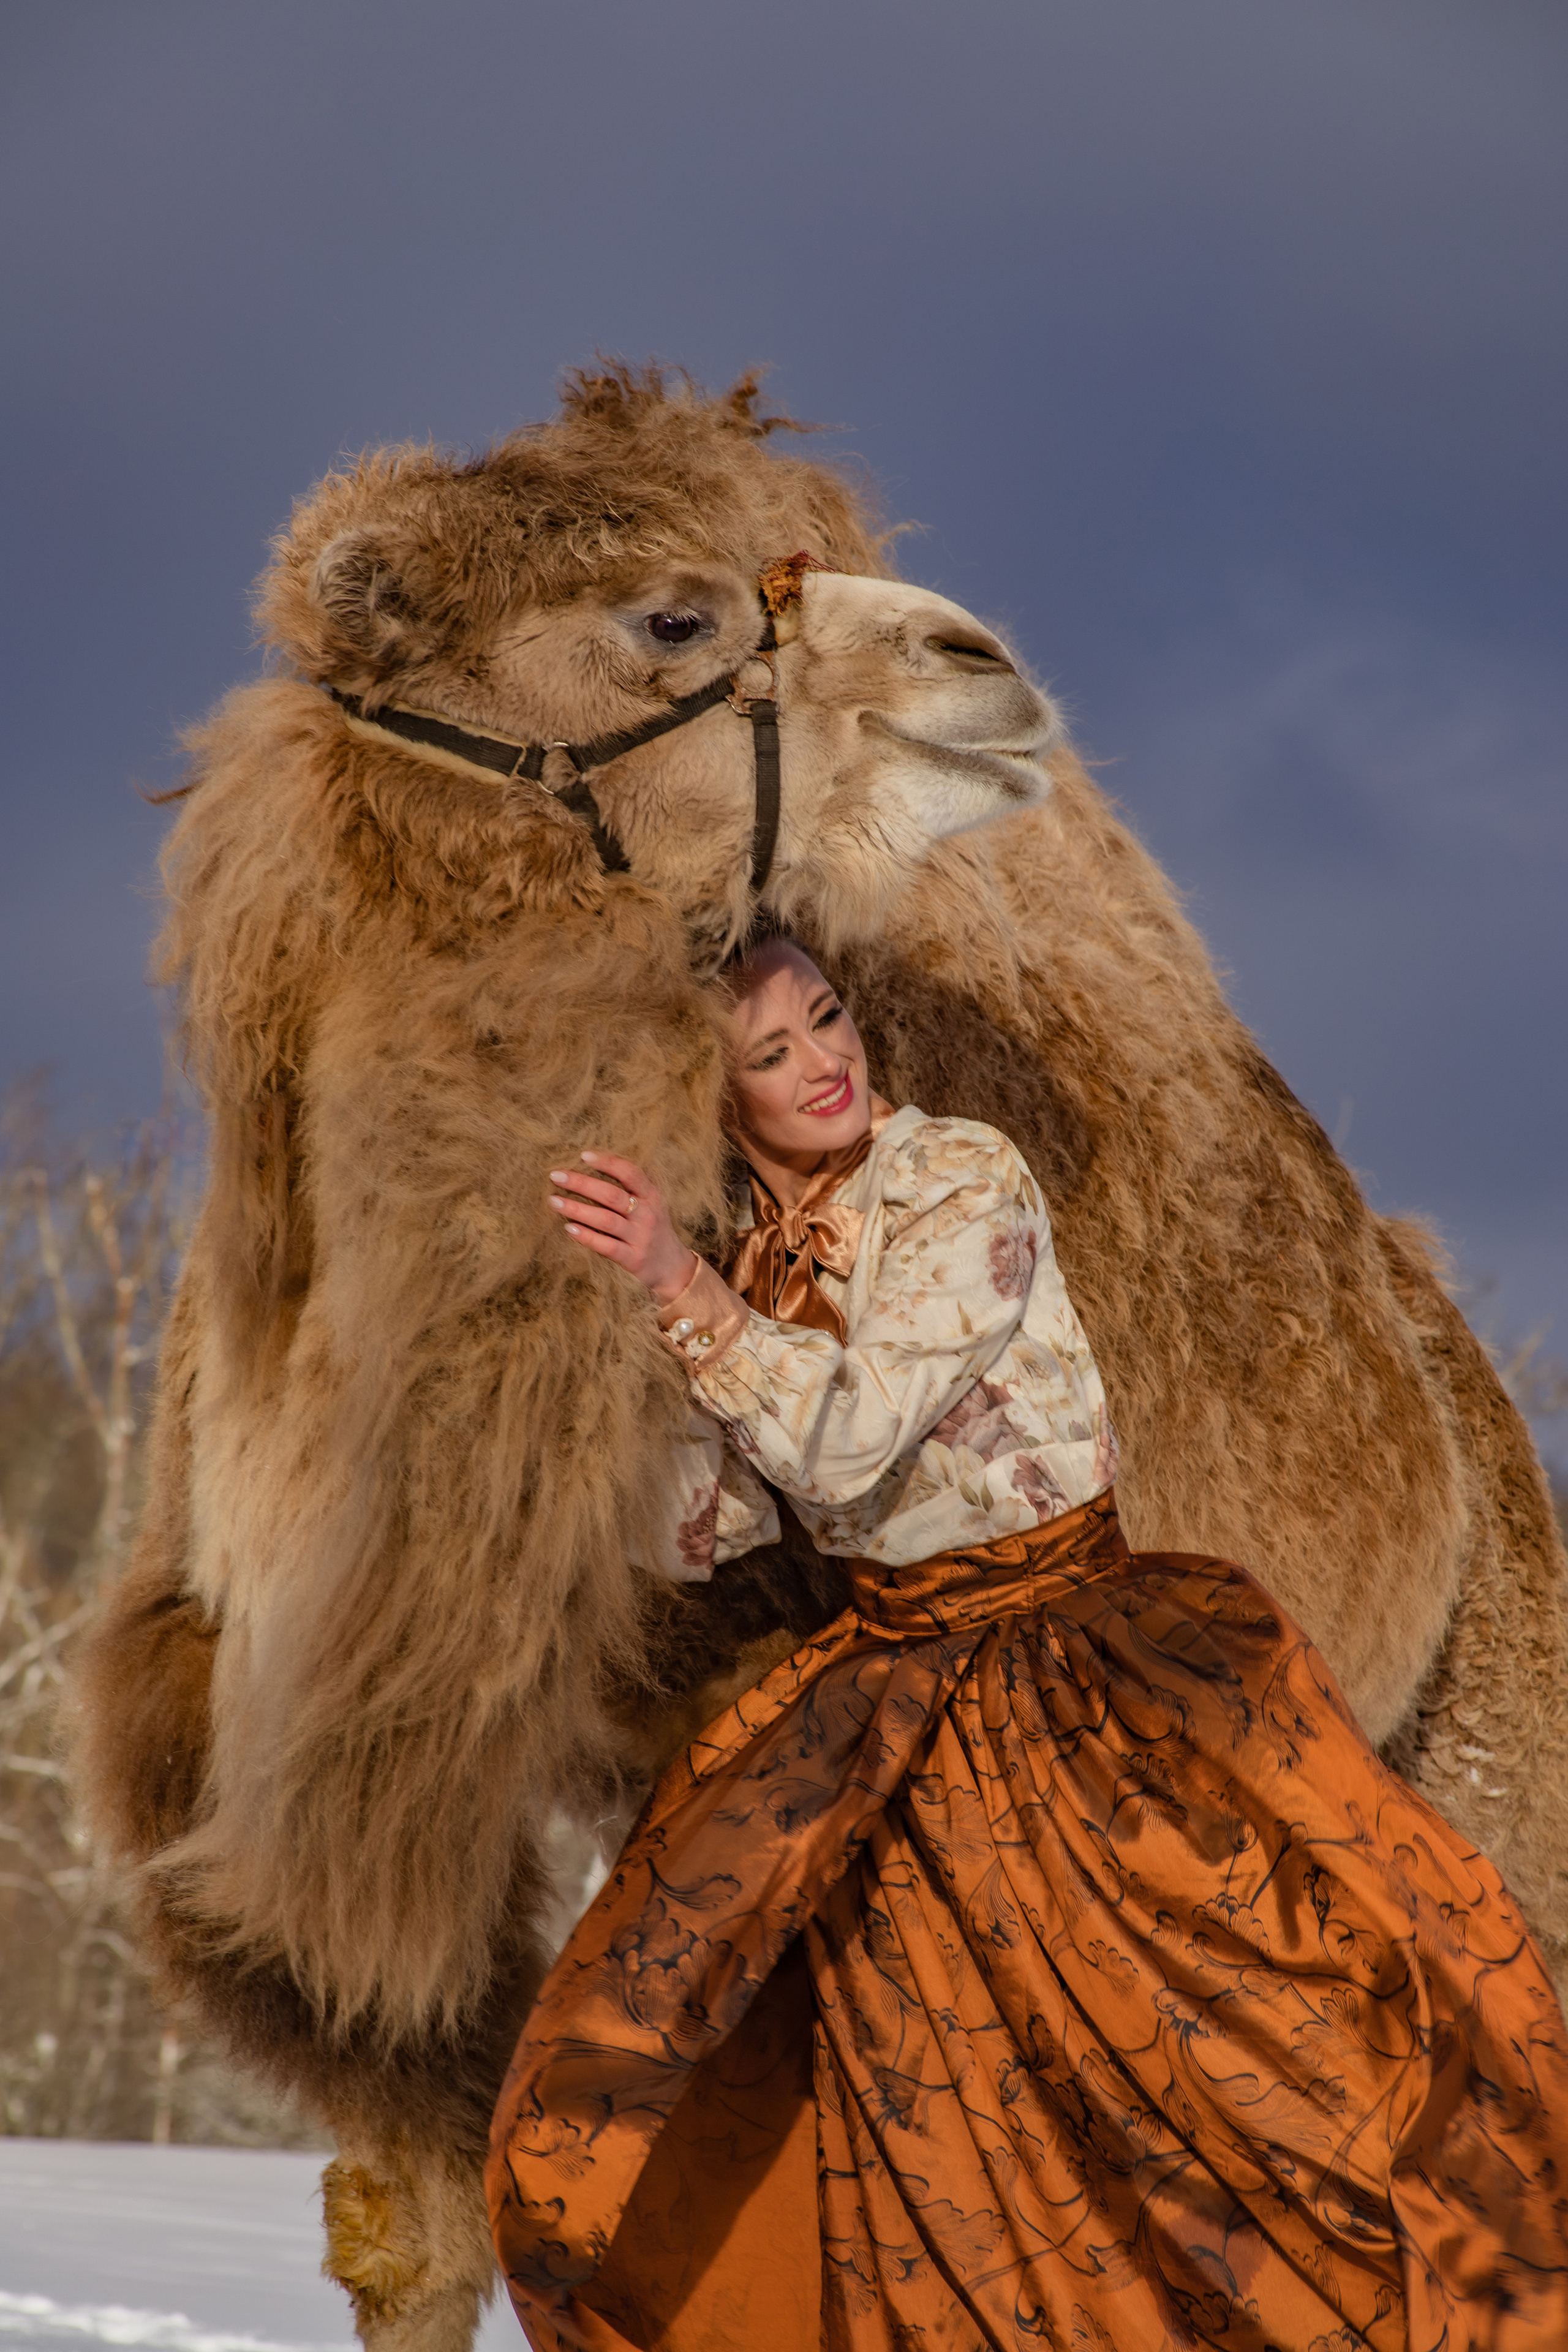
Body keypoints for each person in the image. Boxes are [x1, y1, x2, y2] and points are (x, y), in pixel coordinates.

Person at [487, 937, 1568, 2351]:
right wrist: (596, 1349)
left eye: (825, 1019)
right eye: (771, 1054)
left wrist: (684, 1295)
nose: (823, 1062)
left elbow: (849, 1429)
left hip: (1072, 1671)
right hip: (890, 1701)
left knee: (1206, 2070)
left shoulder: (958, 1177)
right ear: (716, 1093)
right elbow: (710, 1525)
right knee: (909, 2117)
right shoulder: (749, 1253)